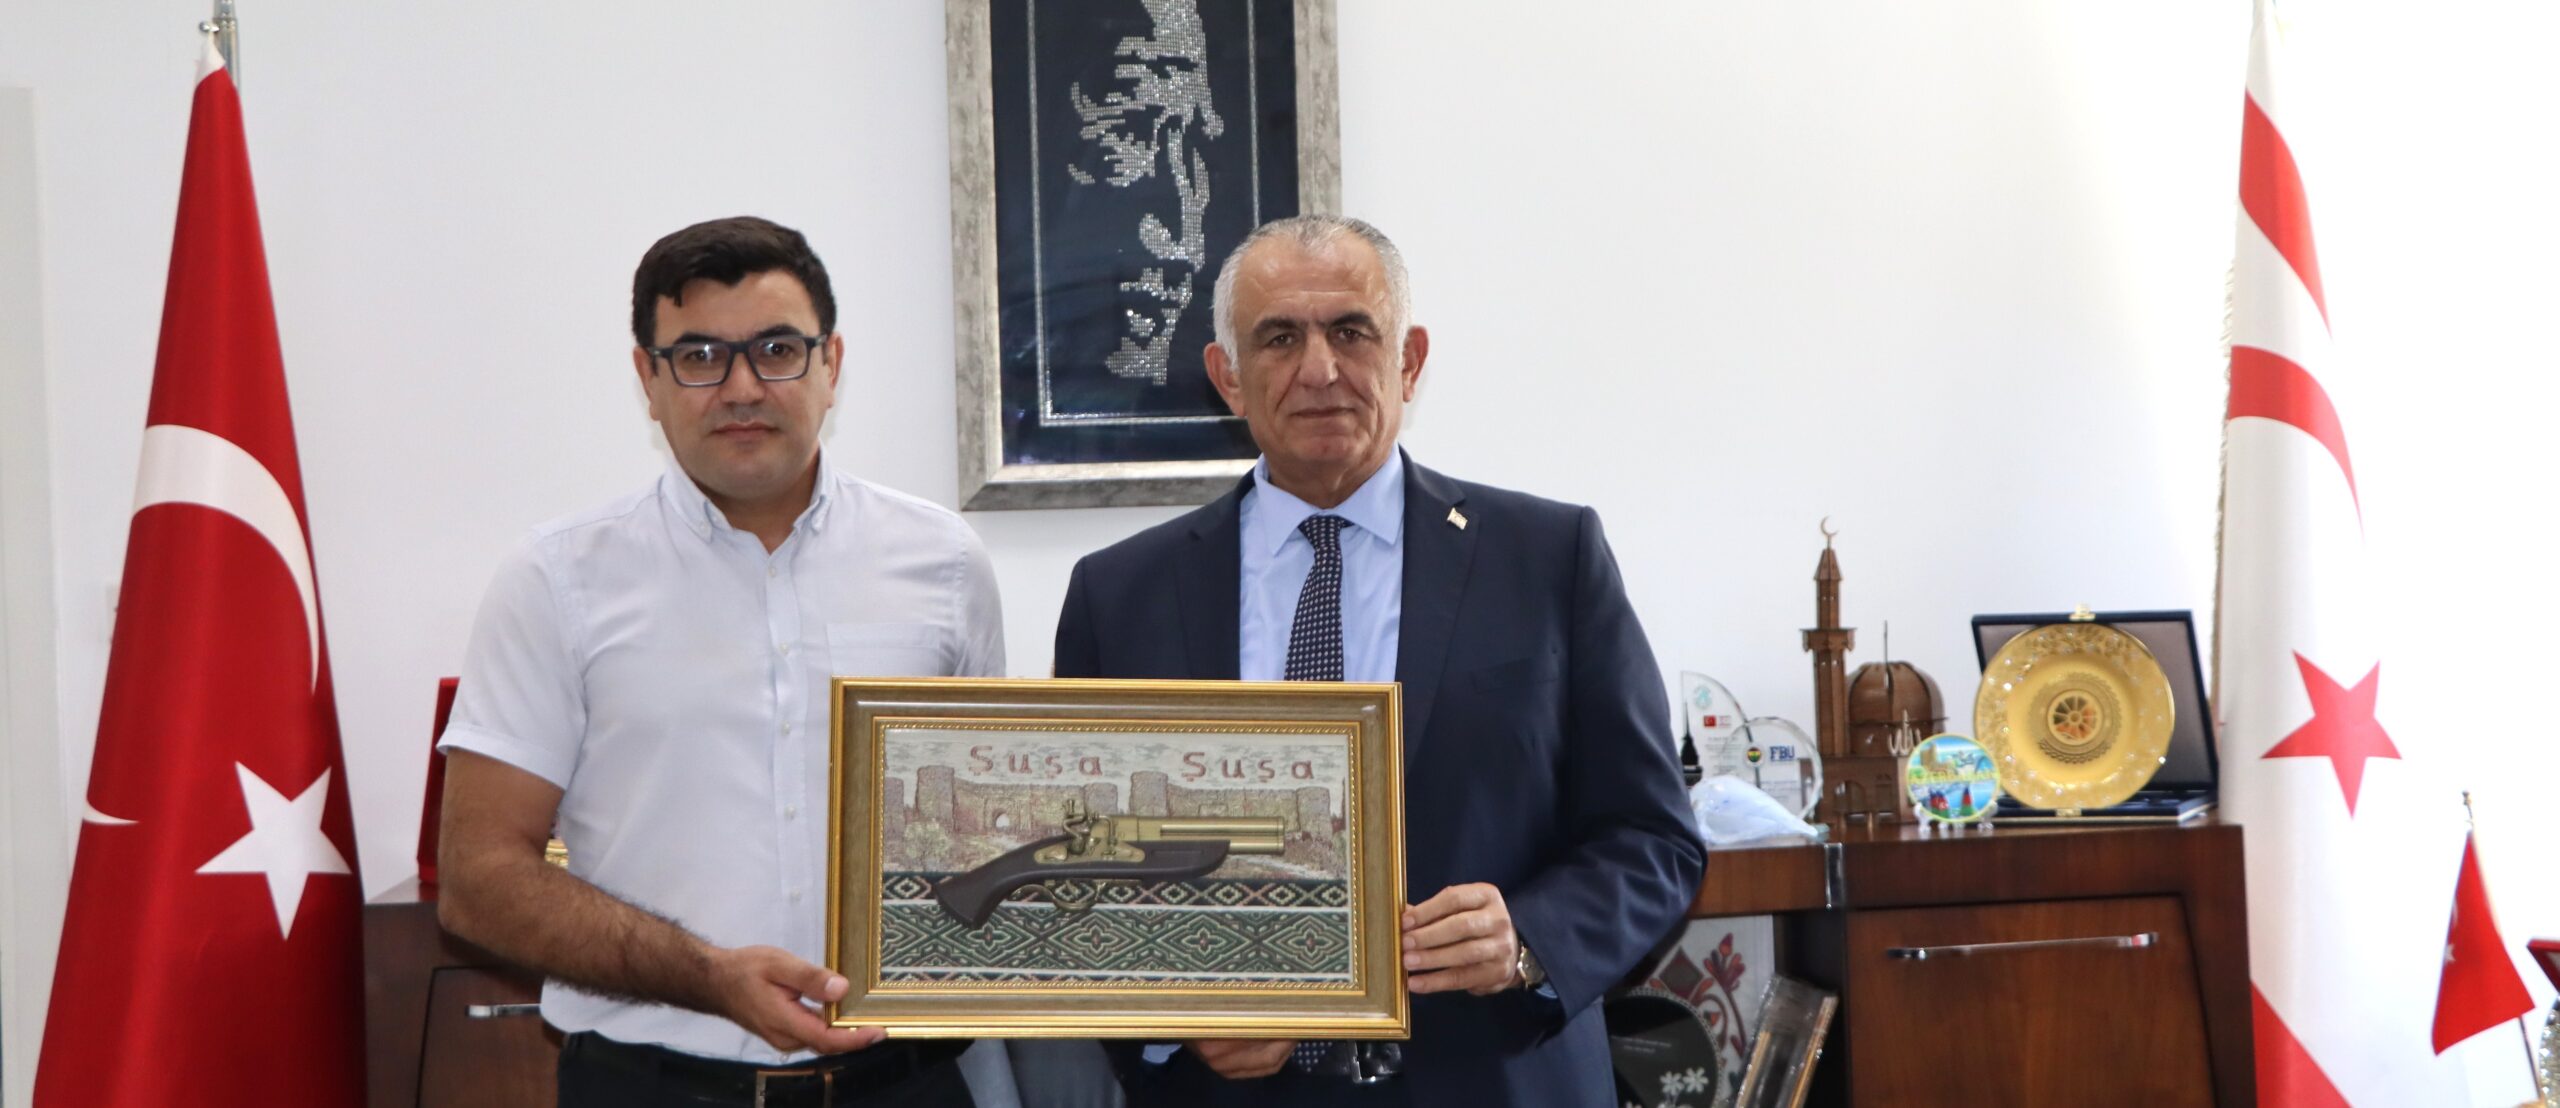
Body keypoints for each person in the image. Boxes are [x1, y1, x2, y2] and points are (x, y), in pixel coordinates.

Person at [1051, 214, 1706, 1106]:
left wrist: (1529, 939)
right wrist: (1174, 1018)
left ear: (1409, 360)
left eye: (1352, 331)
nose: (1320, 369)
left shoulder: (1550, 560)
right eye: (1279, 338)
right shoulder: (1119, 596)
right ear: (1228, 377)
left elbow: (1654, 839)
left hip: (1495, 1081)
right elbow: (1081, 874)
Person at [436, 216, 1005, 1107]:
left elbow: (992, 831)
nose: (742, 388)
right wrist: (708, 976)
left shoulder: (945, 563)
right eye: (699, 356)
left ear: (831, 364)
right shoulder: (556, 578)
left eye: (777, 349)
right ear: (648, 379)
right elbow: (478, 880)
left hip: (904, 1084)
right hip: (649, 1087)